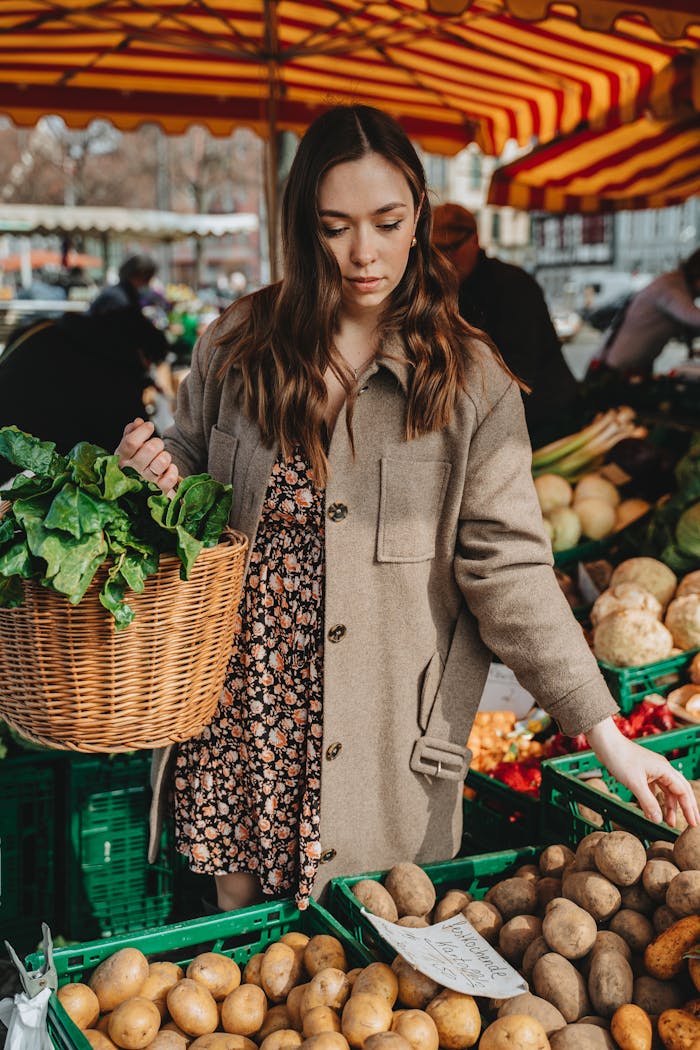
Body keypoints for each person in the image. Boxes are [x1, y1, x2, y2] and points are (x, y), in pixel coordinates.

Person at [117, 105, 699, 914]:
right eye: (336, 227)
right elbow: (191, 458)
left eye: (388, 223)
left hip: (383, 741)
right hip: (239, 717)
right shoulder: (238, 343)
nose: (364, 254)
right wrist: (149, 471)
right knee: (243, 962)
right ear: (303, 226)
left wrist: (605, 734)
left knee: (366, 971)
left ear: (419, 216)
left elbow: (514, 574)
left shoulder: (469, 382)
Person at [431, 203, 581, 447]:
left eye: (454, 247)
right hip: (497, 418)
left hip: (543, 417)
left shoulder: (512, 286)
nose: (447, 258)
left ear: (475, 240)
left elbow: (518, 369)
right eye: (438, 249)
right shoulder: (440, 291)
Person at [0, 309, 169, 484]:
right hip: (20, 471)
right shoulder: (109, 368)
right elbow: (133, 434)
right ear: (140, 351)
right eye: (150, 361)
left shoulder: (43, 330)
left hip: (10, 449)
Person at [590, 249, 700, 375]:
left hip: (630, 367)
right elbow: (693, 317)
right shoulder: (670, 287)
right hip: (617, 370)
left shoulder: (676, 285)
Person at [88, 254, 158, 316]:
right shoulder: (118, 298)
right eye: (149, 277)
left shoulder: (125, 293)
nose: (148, 282)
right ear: (142, 276)